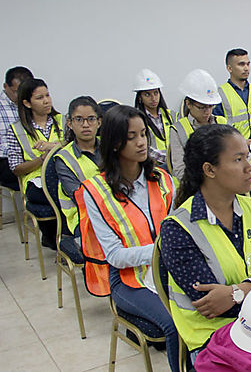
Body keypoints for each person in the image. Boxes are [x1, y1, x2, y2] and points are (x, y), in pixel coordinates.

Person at [157, 124, 251, 360]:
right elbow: (213, 306)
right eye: (238, 159)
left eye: (247, 156)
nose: (249, 166)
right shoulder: (178, 228)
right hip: (216, 337)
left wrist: (238, 292)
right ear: (209, 170)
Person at [75, 105, 179, 371]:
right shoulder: (96, 191)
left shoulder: (163, 179)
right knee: (175, 324)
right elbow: (115, 256)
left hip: (169, 270)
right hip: (128, 279)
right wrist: (160, 250)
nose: (141, 142)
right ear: (113, 143)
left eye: (143, 134)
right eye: (131, 137)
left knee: (214, 307)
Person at [7, 78, 64, 249]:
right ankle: (59, 238)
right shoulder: (16, 130)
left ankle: (64, 237)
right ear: (27, 103)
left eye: (47, 95)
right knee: (60, 193)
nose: (46, 101)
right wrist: (42, 159)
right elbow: (16, 168)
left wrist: (54, 146)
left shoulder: (63, 121)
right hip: (36, 182)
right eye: (39, 98)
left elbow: (76, 144)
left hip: (64, 175)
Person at [54, 96, 102, 240]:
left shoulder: (110, 147)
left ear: (99, 122)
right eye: (79, 119)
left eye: (91, 119)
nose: (86, 125)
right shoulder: (63, 159)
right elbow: (79, 197)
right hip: (84, 218)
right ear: (69, 123)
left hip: (118, 210)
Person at [168, 69, 226, 180]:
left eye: (210, 106)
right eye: (202, 107)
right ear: (188, 104)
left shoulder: (222, 123)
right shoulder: (178, 130)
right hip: (195, 186)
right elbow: (180, 170)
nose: (207, 111)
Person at [214, 48, 251, 144]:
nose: (246, 68)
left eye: (248, 64)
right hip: (234, 147)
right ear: (229, 68)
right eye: (241, 64)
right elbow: (217, 129)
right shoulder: (220, 94)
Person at [0, 66, 33, 190]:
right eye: (17, 91)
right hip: (6, 160)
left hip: (34, 155)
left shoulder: (32, 104)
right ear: (5, 86)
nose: (21, 96)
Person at [133, 68, 174, 167]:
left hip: (174, 163)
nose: (153, 98)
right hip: (152, 165)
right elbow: (145, 148)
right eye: (147, 94)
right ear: (140, 97)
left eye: (156, 93)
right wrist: (169, 159)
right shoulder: (137, 120)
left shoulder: (171, 115)